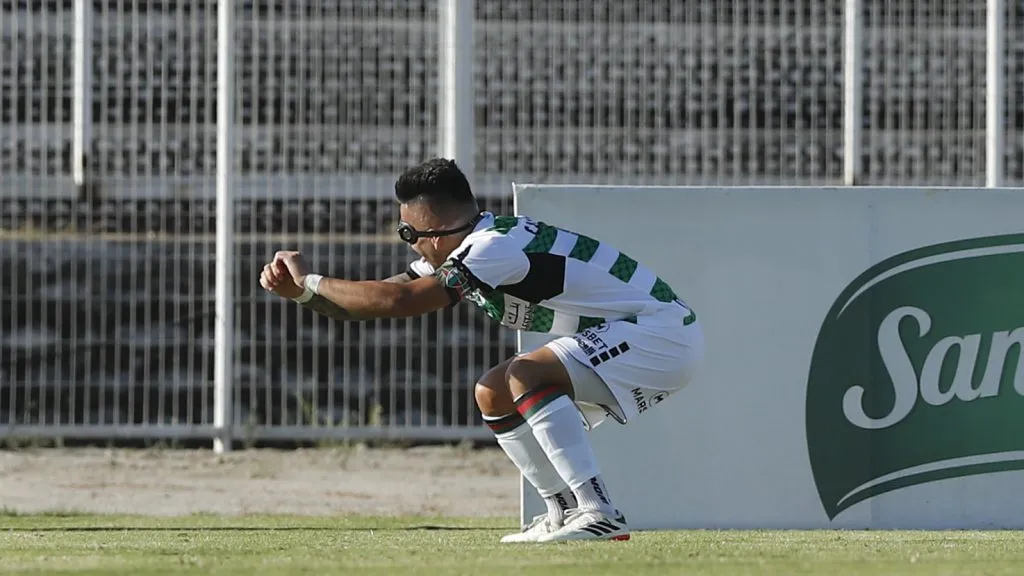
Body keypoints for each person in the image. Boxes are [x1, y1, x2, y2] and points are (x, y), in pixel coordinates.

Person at [259, 158, 704, 543]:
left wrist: (310, 280)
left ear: (432, 231)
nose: (409, 244)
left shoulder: (493, 248)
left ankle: (598, 512)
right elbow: (374, 301)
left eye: (407, 232)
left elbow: (403, 302)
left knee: (524, 376)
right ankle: (562, 511)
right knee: (492, 391)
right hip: (644, 333)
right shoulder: (473, 244)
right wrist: (300, 295)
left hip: (659, 333)